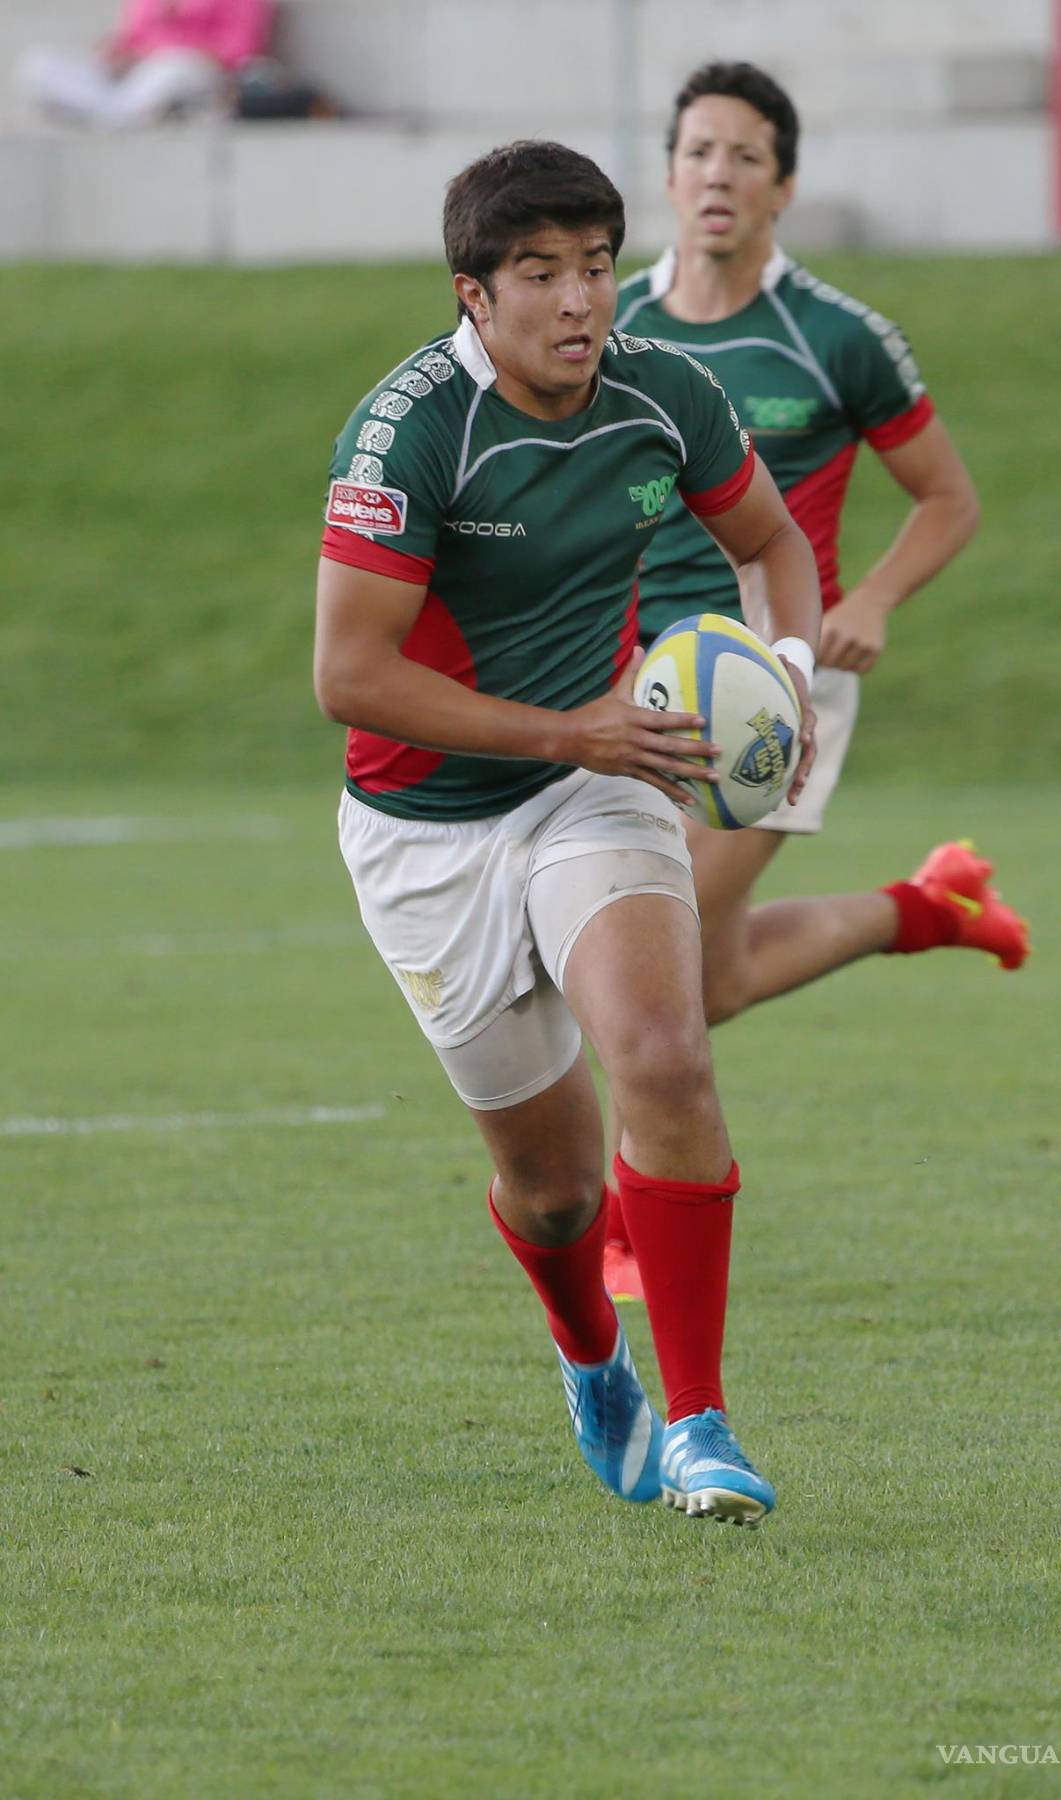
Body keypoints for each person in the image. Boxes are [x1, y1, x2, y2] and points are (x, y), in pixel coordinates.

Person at [313, 141, 822, 1525]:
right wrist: (569, 730)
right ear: (473, 294)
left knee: (661, 1047)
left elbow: (774, 547)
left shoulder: (669, 396)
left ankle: (704, 1422)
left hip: (599, 784)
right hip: (422, 832)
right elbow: (347, 677)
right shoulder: (411, 430)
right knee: (549, 1193)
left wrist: (781, 676)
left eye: (595, 266)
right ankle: (593, 1360)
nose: (578, 299)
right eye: (538, 273)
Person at [603, 62, 1029, 1301]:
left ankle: (638, 1215)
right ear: (668, 176)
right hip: (630, 688)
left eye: (744, 155)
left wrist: (870, 603)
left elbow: (949, 500)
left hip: (771, 691)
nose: (717, 175)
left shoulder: (834, 335)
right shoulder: (614, 326)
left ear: (783, 184)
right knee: (709, 974)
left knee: (649, 956)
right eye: (697, 152)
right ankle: (930, 910)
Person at [19, 0, 272, 129]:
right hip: (135, 75)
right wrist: (114, 54)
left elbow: (240, 50)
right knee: (40, 64)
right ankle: (117, 116)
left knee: (170, 68)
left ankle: (114, 116)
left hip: (194, 72)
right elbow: (129, 37)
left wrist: (153, 55)